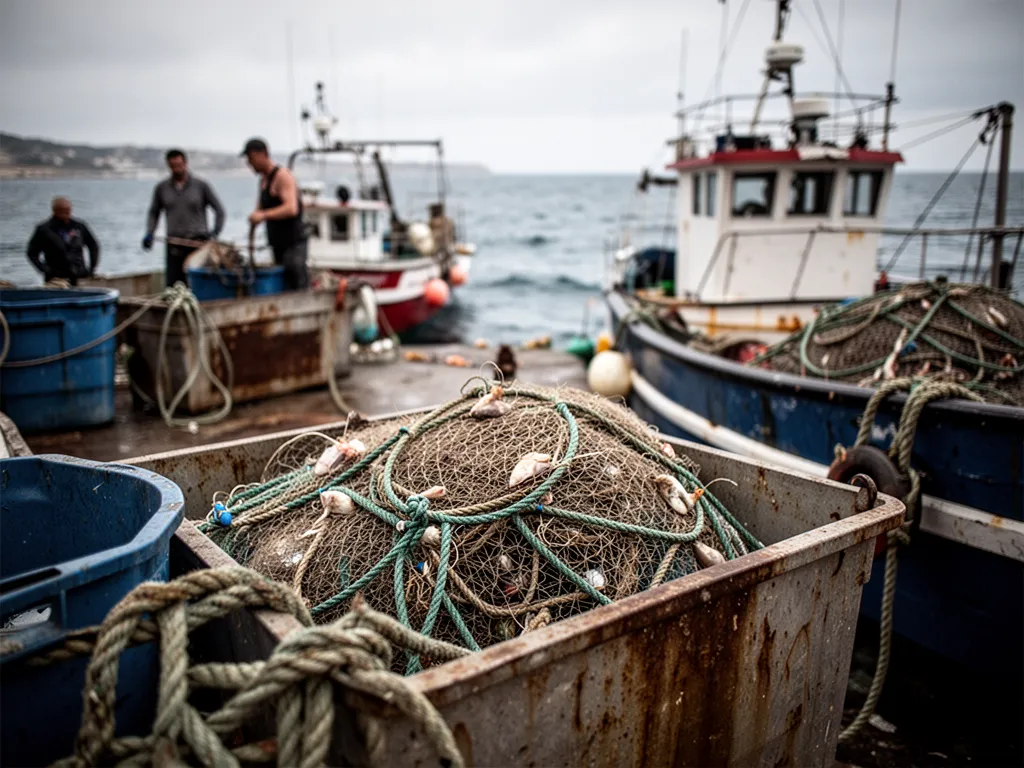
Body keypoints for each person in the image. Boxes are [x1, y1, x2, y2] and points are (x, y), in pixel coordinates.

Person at [142, 148, 225, 287]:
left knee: (198, 285)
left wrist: (215, 232)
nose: (177, 169)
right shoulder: (161, 188)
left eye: (179, 165)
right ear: (168, 166)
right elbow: (154, 212)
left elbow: (219, 211)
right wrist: (150, 232)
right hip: (174, 245)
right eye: (173, 166)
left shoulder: (201, 186)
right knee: (174, 286)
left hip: (197, 244)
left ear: (185, 163)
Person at [241, 137, 309, 291]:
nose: (249, 163)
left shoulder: (282, 176)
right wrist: (254, 218)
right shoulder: (263, 181)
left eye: (251, 158)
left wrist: (263, 215)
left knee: (296, 284)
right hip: (277, 243)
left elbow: (291, 208)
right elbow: (259, 211)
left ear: (263, 154)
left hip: (293, 243)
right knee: (283, 284)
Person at [26, 197, 100, 286]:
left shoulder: (79, 227)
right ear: (55, 211)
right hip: (56, 276)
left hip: (79, 273)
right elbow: (32, 253)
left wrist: (92, 268)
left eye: (68, 210)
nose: (67, 213)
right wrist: (45, 270)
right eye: (63, 210)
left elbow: (93, 246)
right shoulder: (44, 230)